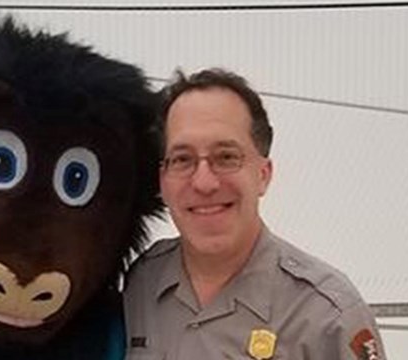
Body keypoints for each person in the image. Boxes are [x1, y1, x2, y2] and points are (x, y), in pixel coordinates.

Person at [124, 68, 386, 360]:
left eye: (226, 157)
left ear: (263, 175)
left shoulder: (328, 315)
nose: (204, 183)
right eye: (183, 159)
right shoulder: (142, 282)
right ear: (163, 179)